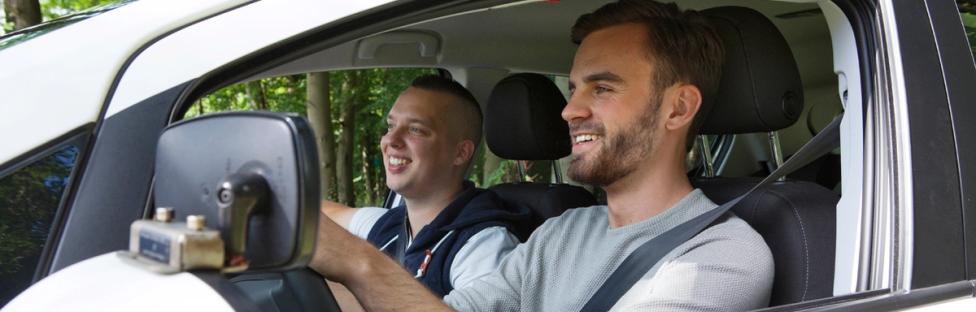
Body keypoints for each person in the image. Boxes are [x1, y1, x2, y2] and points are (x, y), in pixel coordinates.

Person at [309, 1, 774, 311]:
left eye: (603, 87)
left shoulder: (722, 254)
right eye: (574, 89)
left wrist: (359, 262)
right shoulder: (562, 232)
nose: (570, 109)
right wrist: (331, 263)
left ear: (678, 107)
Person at [321, 75, 530, 297]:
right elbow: (320, 214)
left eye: (416, 130)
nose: (391, 140)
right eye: (391, 126)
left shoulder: (483, 246)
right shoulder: (389, 227)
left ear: (460, 153)